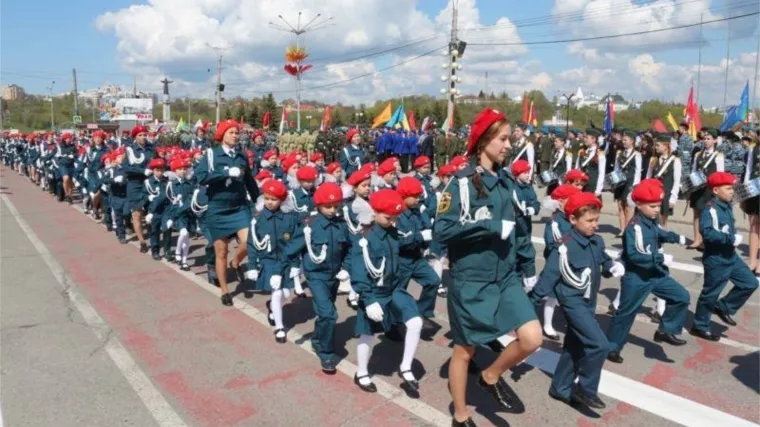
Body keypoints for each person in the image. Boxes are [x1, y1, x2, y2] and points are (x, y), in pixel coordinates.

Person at [434, 109, 541, 426]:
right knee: (465, 351)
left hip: (504, 276)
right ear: (483, 141)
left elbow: (517, 228)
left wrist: (527, 264)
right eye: (503, 139)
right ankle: (460, 414)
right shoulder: (461, 184)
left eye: (509, 138)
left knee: (532, 338)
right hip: (471, 279)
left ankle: (490, 375)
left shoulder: (505, 180)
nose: (509, 145)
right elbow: (442, 231)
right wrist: (488, 226)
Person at [536, 192, 623, 410]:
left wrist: (611, 267)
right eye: (590, 220)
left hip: (589, 301)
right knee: (599, 344)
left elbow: (603, 260)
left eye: (597, 219)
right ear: (573, 219)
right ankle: (586, 389)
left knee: (574, 346)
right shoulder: (564, 246)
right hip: (572, 302)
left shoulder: (597, 241)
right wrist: (529, 306)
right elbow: (548, 278)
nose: (595, 224)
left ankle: (560, 388)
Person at [606, 179, 690, 364]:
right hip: (637, 276)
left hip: (655, 274)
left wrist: (681, 239)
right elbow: (635, 255)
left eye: (658, 205)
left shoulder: (651, 221)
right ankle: (612, 347)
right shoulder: (634, 226)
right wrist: (660, 258)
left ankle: (666, 330)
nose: (657, 209)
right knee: (626, 314)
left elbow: (661, 233)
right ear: (638, 204)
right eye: (652, 206)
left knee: (681, 296)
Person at [351, 189, 424, 394]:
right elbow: (359, 272)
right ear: (374, 212)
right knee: (367, 335)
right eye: (388, 217)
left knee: (416, 322)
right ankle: (362, 372)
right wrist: (368, 300)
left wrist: (422, 237)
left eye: (395, 218)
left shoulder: (393, 232)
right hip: (374, 292)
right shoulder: (365, 238)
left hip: (394, 290)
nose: (392, 221)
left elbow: (403, 244)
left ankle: (405, 367)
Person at [285, 182, 351, 373]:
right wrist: (291, 268)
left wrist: (346, 268)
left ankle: (318, 337)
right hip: (316, 275)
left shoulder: (341, 225)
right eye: (327, 206)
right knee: (330, 314)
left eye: (336, 206)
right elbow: (291, 248)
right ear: (319, 205)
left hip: (334, 275)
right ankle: (325, 352)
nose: (332, 210)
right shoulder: (309, 225)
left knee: (325, 312)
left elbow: (350, 248)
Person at [195, 119, 259, 306]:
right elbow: (201, 177)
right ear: (222, 135)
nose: (235, 135)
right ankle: (224, 291)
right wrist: (225, 173)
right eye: (231, 132)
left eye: (237, 132)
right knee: (221, 251)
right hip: (218, 208)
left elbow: (249, 180)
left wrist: (258, 199)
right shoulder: (211, 154)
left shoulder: (241, 156)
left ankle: (236, 262)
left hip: (239, 207)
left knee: (250, 242)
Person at [690, 172, 760, 341]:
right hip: (716, 258)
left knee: (749, 283)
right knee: (710, 293)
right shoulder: (710, 209)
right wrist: (730, 238)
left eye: (732, 188)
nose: (732, 191)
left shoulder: (726, 205)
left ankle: (724, 307)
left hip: (730, 255)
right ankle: (700, 326)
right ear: (716, 190)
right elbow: (707, 233)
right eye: (728, 188)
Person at [247, 179, 301, 343]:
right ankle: (279, 327)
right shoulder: (258, 218)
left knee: (286, 293)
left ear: (282, 200)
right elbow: (252, 242)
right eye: (267, 198)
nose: (269, 202)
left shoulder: (290, 217)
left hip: (286, 260)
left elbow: (295, 241)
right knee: (277, 293)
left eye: (274, 199)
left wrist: (295, 264)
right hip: (268, 260)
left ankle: (272, 307)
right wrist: (252, 266)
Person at [530, 184, 580, 341]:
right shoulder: (555, 222)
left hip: (571, 265)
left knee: (568, 295)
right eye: (571, 199)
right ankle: (546, 325)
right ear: (561, 202)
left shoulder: (573, 218)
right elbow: (553, 245)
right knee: (549, 296)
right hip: (557, 264)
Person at [394, 176, 440, 330]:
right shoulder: (396, 214)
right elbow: (396, 242)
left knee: (433, 281)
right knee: (397, 293)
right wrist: (419, 236)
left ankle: (422, 312)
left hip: (416, 258)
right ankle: (393, 325)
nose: (418, 199)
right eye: (414, 196)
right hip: (401, 260)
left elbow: (425, 228)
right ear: (404, 195)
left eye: (419, 196)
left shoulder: (417, 211)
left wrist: (426, 241)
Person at [122, 125, 157, 254]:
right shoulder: (130, 150)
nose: (143, 137)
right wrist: (142, 171)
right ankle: (142, 242)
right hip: (135, 184)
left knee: (152, 212)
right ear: (135, 137)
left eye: (144, 135)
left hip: (149, 182)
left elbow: (158, 162)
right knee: (137, 214)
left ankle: (154, 240)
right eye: (140, 135)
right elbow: (125, 167)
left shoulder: (151, 148)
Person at [687, 128, 724, 250]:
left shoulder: (718, 156)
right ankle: (697, 239)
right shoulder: (698, 155)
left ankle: (706, 241)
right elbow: (693, 171)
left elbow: (720, 175)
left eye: (709, 139)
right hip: (698, 189)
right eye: (704, 139)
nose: (706, 141)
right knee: (696, 213)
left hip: (710, 189)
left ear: (715, 140)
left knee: (708, 214)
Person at [511, 159, 541, 289]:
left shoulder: (529, 187)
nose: (528, 175)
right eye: (525, 173)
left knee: (524, 252)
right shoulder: (512, 189)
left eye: (529, 172)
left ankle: (523, 280)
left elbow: (536, 203)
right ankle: (518, 281)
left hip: (526, 225)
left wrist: (533, 209)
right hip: (517, 227)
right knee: (520, 255)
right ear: (517, 174)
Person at [646, 133, 682, 228]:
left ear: (666, 146)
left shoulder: (675, 161)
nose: (655, 147)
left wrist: (673, 198)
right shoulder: (653, 159)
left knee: (663, 221)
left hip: (666, 194)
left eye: (658, 145)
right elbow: (648, 178)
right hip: (654, 194)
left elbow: (677, 181)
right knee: (652, 219)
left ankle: (662, 236)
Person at [612, 130, 641, 236]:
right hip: (620, 182)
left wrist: (635, 185)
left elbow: (638, 171)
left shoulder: (636, 155)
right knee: (620, 206)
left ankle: (628, 230)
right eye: (623, 140)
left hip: (630, 183)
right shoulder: (619, 153)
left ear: (632, 141)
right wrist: (614, 182)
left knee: (629, 206)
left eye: (625, 140)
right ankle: (622, 229)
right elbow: (616, 168)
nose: (623, 142)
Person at [144, 157, 173, 261]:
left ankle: (167, 251)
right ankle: (155, 250)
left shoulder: (167, 181)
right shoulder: (148, 182)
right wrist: (148, 197)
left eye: (162, 170)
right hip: (154, 210)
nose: (160, 172)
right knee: (154, 231)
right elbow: (142, 195)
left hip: (166, 209)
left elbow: (167, 195)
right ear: (153, 170)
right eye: (157, 170)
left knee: (167, 229)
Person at [739, 135, 760, 275]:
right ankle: (752, 261)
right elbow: (748, 171)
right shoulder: (753, 148)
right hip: (754, 189)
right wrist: (745, 192)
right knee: (754, 225)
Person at [575, 128, 606, 198]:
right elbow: (577, 168)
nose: (584, 139)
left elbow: (601, 173)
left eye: (587, 137)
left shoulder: (600, 153)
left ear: (594, 139)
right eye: (584, 137)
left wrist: (598, 189)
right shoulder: (582, 151)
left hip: (593, 186)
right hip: (581, 186)